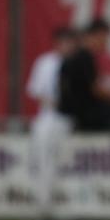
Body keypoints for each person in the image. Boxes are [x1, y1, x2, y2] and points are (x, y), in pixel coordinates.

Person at [26, 27, 77, 210]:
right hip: (49, 117)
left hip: (69, 119)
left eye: (71, 43)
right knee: (42, 159)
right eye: (65, 42)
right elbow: (36, 91)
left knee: (65, 162)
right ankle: (41, 201)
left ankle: (63, 203)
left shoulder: (76, 63)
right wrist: (58, 104)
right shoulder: (46, 62)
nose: (68, 46)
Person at [57, 18, 110, 131]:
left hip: (74, 110)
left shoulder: (75, 56)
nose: (106, 43)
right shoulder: (84, 58)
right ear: (96, 36)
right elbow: (94, 90)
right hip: (81, 112)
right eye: (104, 38)